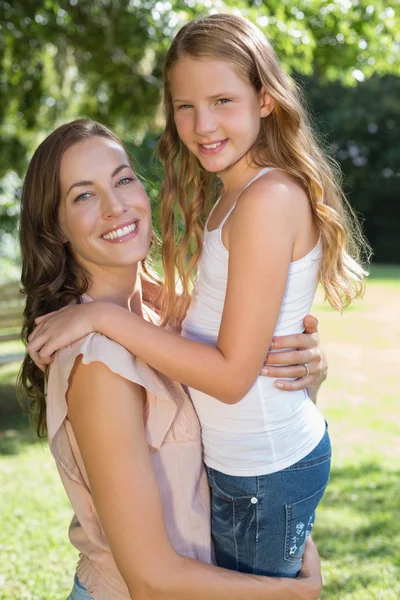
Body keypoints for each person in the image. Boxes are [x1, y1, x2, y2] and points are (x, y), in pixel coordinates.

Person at [27, 13, 369, 578]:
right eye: (184, 106)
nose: (201, 124)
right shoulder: (234, 197)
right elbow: (207, 315)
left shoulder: (262, 199)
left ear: (265, 99)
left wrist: (99, 318)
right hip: (255, 469)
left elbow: (233, 376)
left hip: (262, 471)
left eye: (221, 101)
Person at [19, 119, 323, 599]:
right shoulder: (97, 363)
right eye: (83, 196)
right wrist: (291, 594)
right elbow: (150, 579)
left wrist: (303, 372)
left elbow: (245, 414)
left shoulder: (172, 313)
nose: (115, 205)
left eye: (122, 179)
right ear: (54, 227)